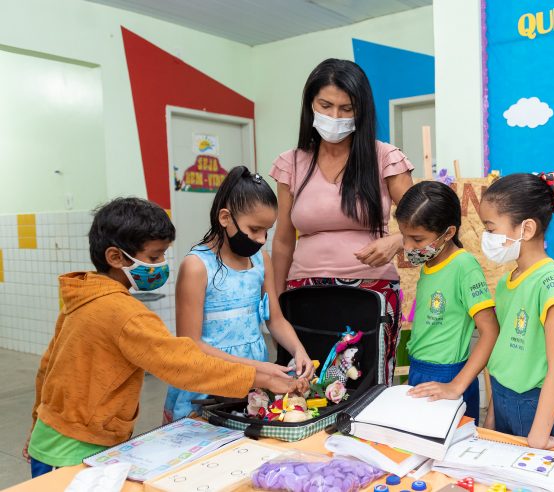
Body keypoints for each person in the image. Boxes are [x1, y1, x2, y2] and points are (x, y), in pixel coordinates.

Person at [24, 197, 306, 477]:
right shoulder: (126, 314)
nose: (161, 265)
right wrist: (263, 378)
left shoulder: (83, 295)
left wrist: (37, 422)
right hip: (76, 447)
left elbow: (47, 369)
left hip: (53, 437)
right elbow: (181, 364)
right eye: (154, 257)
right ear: (115, 257)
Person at [270, 59, 414, 384]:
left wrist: (398, 238)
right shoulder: (291, 163)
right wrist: (277, 303)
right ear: (310, 104)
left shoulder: (385, 157)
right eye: (326, 105)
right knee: (304, 389)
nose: (335, 117)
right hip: (303, 294)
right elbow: (282, 240)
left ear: (361, 110)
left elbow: (423, 219)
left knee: (364, 386)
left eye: (346, 108)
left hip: (369, 294)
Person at [164, 167, 314, 423]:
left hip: (254, 383)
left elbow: (275, 320)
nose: (260, 239)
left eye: (267, 231)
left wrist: (299, 350)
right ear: (225, 218)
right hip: (209, 380)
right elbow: (191, 345)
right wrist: (258, 369)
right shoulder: (197, 266)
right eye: (254, 229)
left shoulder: (260, 260)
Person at [479, 173, 554, 450]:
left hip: (534, 407)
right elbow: (502, 357)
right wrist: (492, 413)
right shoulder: (506, 281)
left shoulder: (551, 284)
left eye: (490, 228)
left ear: (527, 229)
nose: (486, 238)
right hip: (502, 398)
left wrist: (537, 437)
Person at [397, 182, 500, 423]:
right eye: (404, 237)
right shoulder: (429, 263)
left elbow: (491, 330)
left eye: (417, 239)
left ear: (449, 233)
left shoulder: (464, 267)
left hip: (448, 376)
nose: (407, 247)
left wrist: (457, 385)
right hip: (419, 370)